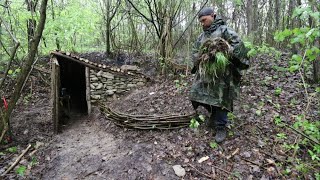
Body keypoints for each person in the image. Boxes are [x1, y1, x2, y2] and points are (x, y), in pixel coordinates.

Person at [189, 7, 249, 143]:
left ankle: (221, 126)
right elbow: (194, 51)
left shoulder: (225, 30)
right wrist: (201, 58)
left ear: (213, 16)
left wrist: (224, 51)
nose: (202, 23)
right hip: (205, 74)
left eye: (204, 20)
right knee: (196, 95)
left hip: (223, 74)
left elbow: (238, 46)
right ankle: (212, 115)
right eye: (201, 21)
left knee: (221, 99)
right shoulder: (201, 36)